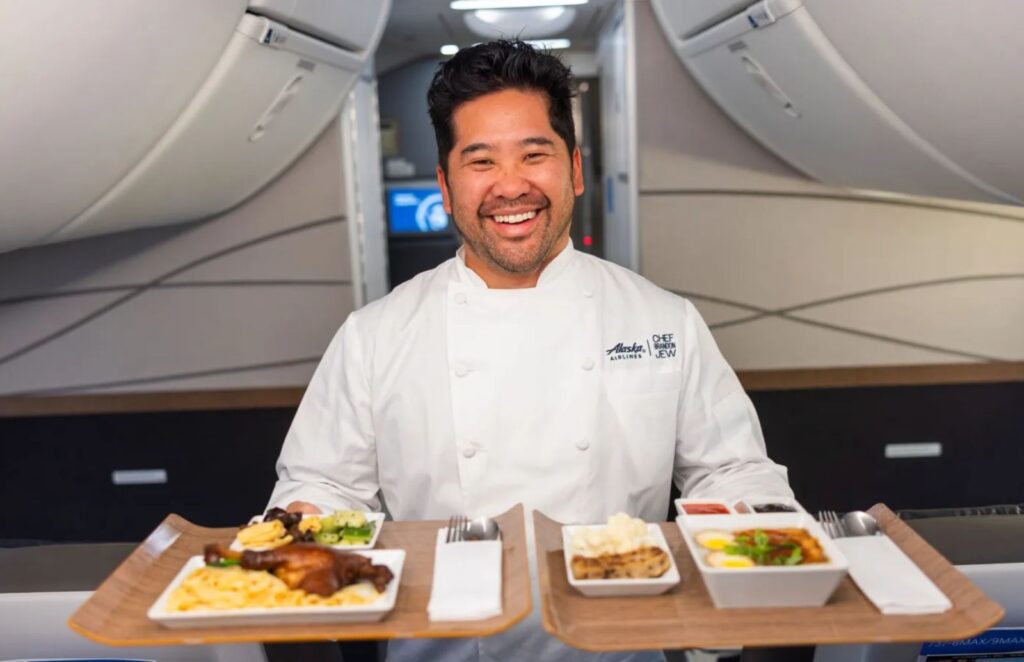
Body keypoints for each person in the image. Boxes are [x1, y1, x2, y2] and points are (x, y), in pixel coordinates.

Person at [268, 40, 792, 661]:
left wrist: (756, 526)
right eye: (481, 161)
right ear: (445, 187)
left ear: (574, 169)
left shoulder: (663, 320)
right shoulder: (374, 335)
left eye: (534, 155)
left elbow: (730, 468)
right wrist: (305, 520)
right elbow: (325, 484)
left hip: (621, 649)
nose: (511, 186)